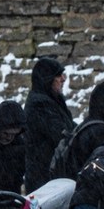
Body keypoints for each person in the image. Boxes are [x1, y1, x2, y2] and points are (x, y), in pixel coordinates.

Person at [24, 57, 74, 192]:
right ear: (48, 79)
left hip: (51, 178)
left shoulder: (53, 102)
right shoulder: (39, 106)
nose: (63, 79)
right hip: (44, 182)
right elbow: (62, 135)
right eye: (58, 75)